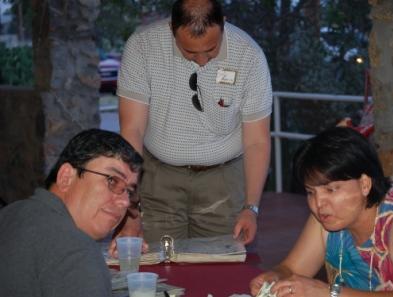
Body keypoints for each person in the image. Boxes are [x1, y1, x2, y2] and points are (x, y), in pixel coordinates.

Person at [115, 0, 272, 245]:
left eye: (211, 49)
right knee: (159, 266)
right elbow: (132, 129)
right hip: (158, 177)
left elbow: (257, 141)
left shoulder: (249, 55)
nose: (201, 61)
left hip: (223, 184)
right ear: (171, 29)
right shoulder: (142, 46)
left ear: (224, 24)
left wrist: (251, 208)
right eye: (189, 51)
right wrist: (131, 205)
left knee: (220, 272)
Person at [250, 127, 393, 297]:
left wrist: (329, 293)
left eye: (330, 190)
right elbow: (291, 269)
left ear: (364, 184)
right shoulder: (328, 217)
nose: (319, 203)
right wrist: (274, 276)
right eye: (311, 192)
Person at [0, 129, 143, 297]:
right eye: (112, 180)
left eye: (129, 191)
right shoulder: (76, 251)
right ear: (66, 177)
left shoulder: (10, 214)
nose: (125, 202)